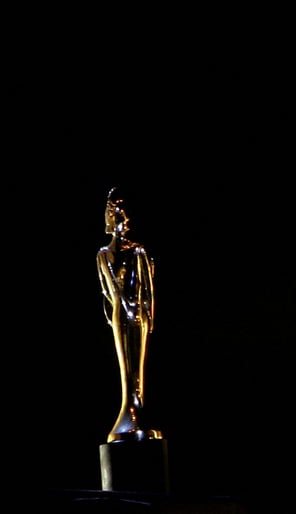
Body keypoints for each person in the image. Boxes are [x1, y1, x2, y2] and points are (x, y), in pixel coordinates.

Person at [97, 187, 162, 443]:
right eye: (114, 211)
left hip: (138, 316)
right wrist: (119, 310)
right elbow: (107, 292)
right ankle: (129, 411)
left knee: (138, 366)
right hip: (120, 315)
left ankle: (137, 409)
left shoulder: (137, 251)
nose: (119, 217)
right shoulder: (103, 254)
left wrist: (146, 315)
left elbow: (146, 289)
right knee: (127, 365)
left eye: (121, 211)